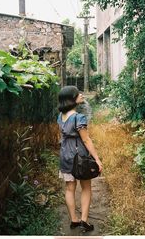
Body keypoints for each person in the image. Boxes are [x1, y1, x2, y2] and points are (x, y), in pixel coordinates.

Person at [57, 85, 102, 232]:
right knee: (86, 187)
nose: (81, 95)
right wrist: (97, 159)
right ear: (72, 99)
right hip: (79, 156)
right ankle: (84, 220)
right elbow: (86, 140)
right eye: (78, 94)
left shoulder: (60, 116)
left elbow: (62, 136)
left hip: (65, 155)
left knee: (70, 188)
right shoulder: (79, 117)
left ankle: (73, 220)